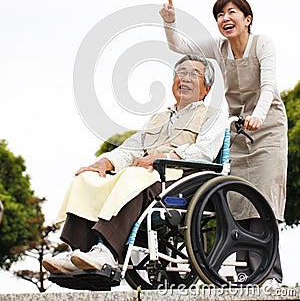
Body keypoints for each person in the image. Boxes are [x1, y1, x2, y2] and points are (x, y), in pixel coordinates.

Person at [42, 55, 227, 274]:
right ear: (173, 82)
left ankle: (106, 252)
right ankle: (80, 252)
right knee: (88, 178)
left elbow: (205, 152)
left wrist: (163, 157)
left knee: (134, 177)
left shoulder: (213, 115)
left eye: (194, 74)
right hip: (147, 175)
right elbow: (132, 148)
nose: (185, 78)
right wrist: (104, 162)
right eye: (181, 73)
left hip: (180, 180)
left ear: (207, 88)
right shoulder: (158, 118)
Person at [160, 0, 288, 288]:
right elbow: (178, 46)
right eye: (219, 15)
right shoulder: (218, 48)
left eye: (232, 12)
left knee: (264, 201)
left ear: (247, 19)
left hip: (266, 127)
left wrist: (257, 115)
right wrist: (170, 22)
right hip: (234, 130)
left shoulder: (262, 44)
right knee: (237, 200)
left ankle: (270, 275)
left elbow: (268, 85)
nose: (225, 19)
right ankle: (246, 273)